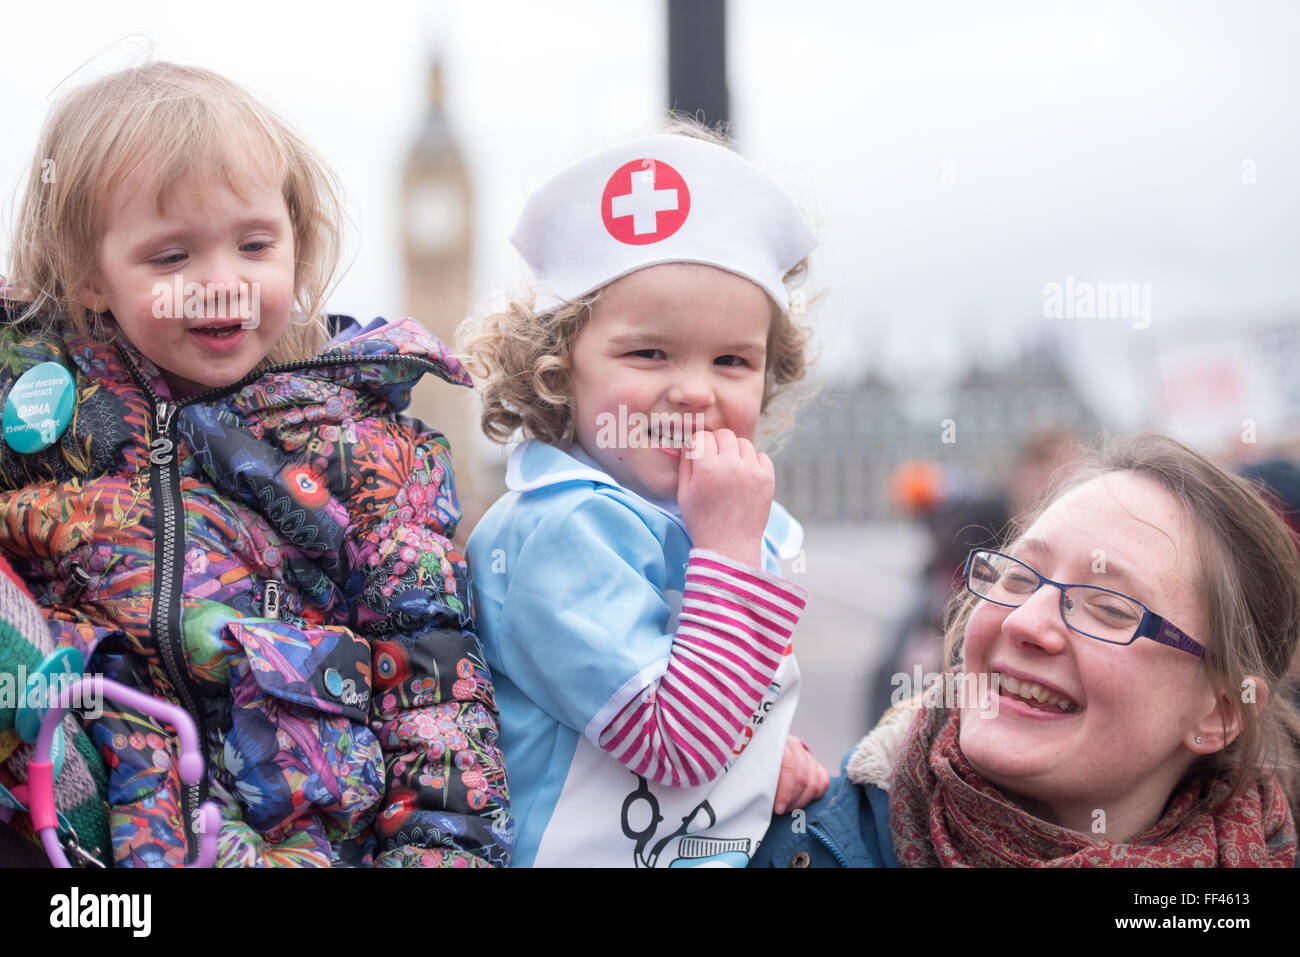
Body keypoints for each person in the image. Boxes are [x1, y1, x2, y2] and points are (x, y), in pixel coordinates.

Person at [0, 62, 510, 867]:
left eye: (254, 244)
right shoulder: (32, 418)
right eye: (172, 257)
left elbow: (432, 684)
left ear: (297, 245)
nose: (221, 282)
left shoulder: (367, 452)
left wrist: (442, 853)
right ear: (91, 275)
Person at [459, 122, 828, 867]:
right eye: (649, 351)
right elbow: (677, 742)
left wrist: (760, 755)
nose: (693, 390)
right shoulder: (561, 532)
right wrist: (726, 547)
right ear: (557, 369)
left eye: (732, 359)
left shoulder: (680, 518)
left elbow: (698, 701)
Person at [752, 433, 1300, 867]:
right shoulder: (770, 843)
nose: (1026, 622)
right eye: (1018, 576)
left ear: (1219, 711)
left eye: (1110, 606)